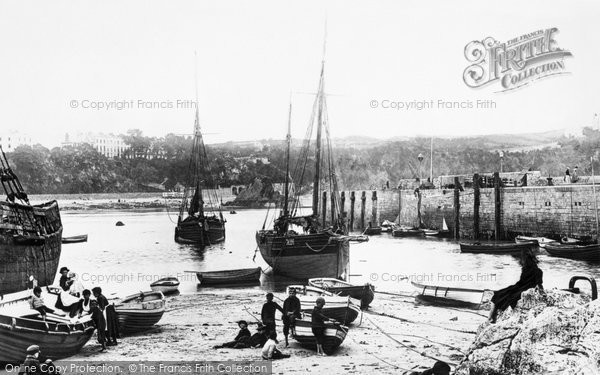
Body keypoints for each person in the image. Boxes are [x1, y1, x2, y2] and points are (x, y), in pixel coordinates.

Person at [489, 248, 543, 323]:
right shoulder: (538, 271)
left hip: (520, 288)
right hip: (523, 289)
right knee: (503, 295)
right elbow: (539, 285)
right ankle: (492, 317)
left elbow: (522, 282)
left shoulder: (525, 269)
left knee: (499, 294)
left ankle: (491, 317)